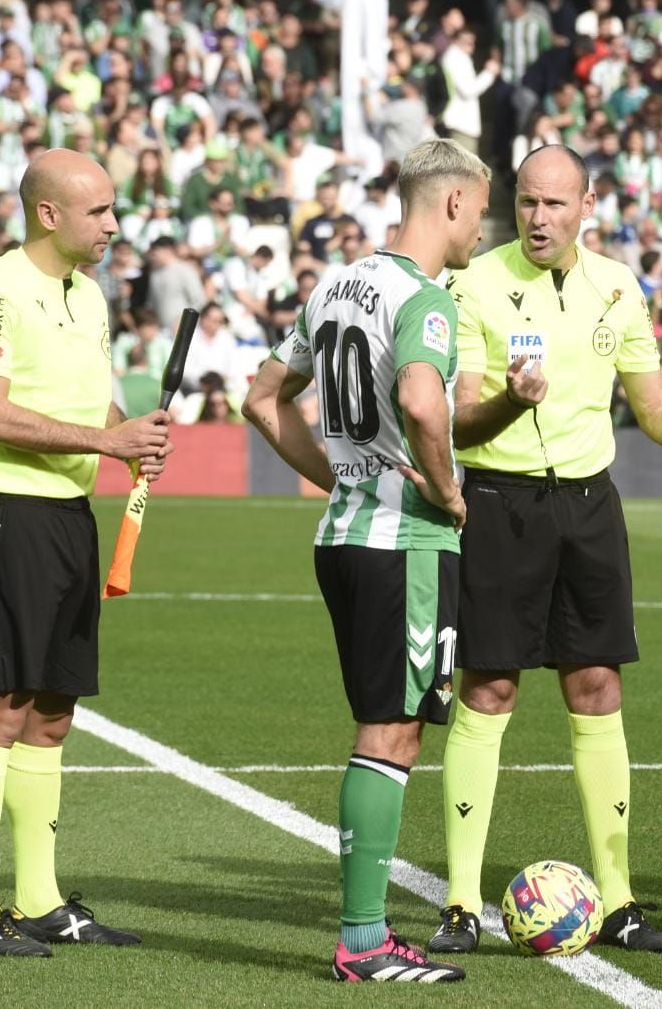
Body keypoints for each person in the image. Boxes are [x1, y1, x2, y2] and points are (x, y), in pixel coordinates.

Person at [428, 144, 662, 955]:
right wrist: (506, 399)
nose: (538, 218)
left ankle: (621, 897)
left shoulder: (618, 285)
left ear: (587, 206)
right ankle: (460, 900)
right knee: (488, 690)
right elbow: (459, 420)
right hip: (500, 503)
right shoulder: (472, 284)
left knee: (597, 687)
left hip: (592, 505)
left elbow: (653, 405)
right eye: (527, 202)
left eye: (556, 204)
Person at [239, 138, 489, 983]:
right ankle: (362, 939)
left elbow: (258, 395)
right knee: (391, 732)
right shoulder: (427, 299)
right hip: (404, 543)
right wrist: (449, 491)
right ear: (452, 202)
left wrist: (336, 473)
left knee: (389, 725)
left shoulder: (335, 284)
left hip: (345, 535)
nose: (480, 230)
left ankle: (365, 931)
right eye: (481, 210)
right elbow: (423, 399)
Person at [0, 149, 173, 956]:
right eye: (100, 211)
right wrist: (108, 439)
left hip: (71, 514)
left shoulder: (90, 292)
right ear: (49, 214)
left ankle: (39, 900)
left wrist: (131, 433)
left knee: (52, 713)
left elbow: (88, 395)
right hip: (10, 512)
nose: (115, 225)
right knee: (2, 706)